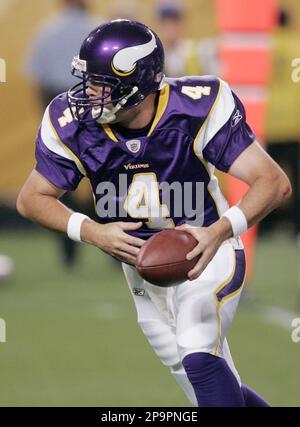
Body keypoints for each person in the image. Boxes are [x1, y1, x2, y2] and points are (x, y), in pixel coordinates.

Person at [17, 19, 291, 407]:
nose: (88, 94)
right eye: (88, 81)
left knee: (199, 353)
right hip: (144, 271)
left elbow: (273, 182)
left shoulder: (195, 106)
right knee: (210, 390)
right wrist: (93, 231)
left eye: (101, 84)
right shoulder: (72, 122)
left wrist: (217, 232)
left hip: (204, 252)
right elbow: (32, 198)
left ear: (136, 85)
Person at [25, 0, 101, 267]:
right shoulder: (96, 30)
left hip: (57, 107)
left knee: (55, 184)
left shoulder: (46, 31)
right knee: (108, 179)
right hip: (96, 107)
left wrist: (48, 119)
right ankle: (119, 247)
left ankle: (68, 251)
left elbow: (37, 77)